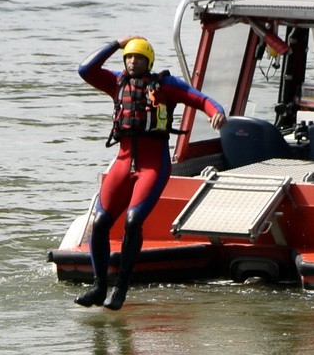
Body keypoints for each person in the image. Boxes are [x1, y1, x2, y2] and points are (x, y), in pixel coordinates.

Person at [74, 36, 226, 310]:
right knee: (99, 222)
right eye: (129, 57)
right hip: (122, 162)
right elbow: (85, 70)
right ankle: (98, 286)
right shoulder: (116, 82)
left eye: (138, 58)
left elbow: (202, 100)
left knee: (133, 220)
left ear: (149, 61)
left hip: (152, 165)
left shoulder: (166, 85)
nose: (133, 62)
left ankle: (120, 288)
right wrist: (115, 44)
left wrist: (217, 112)